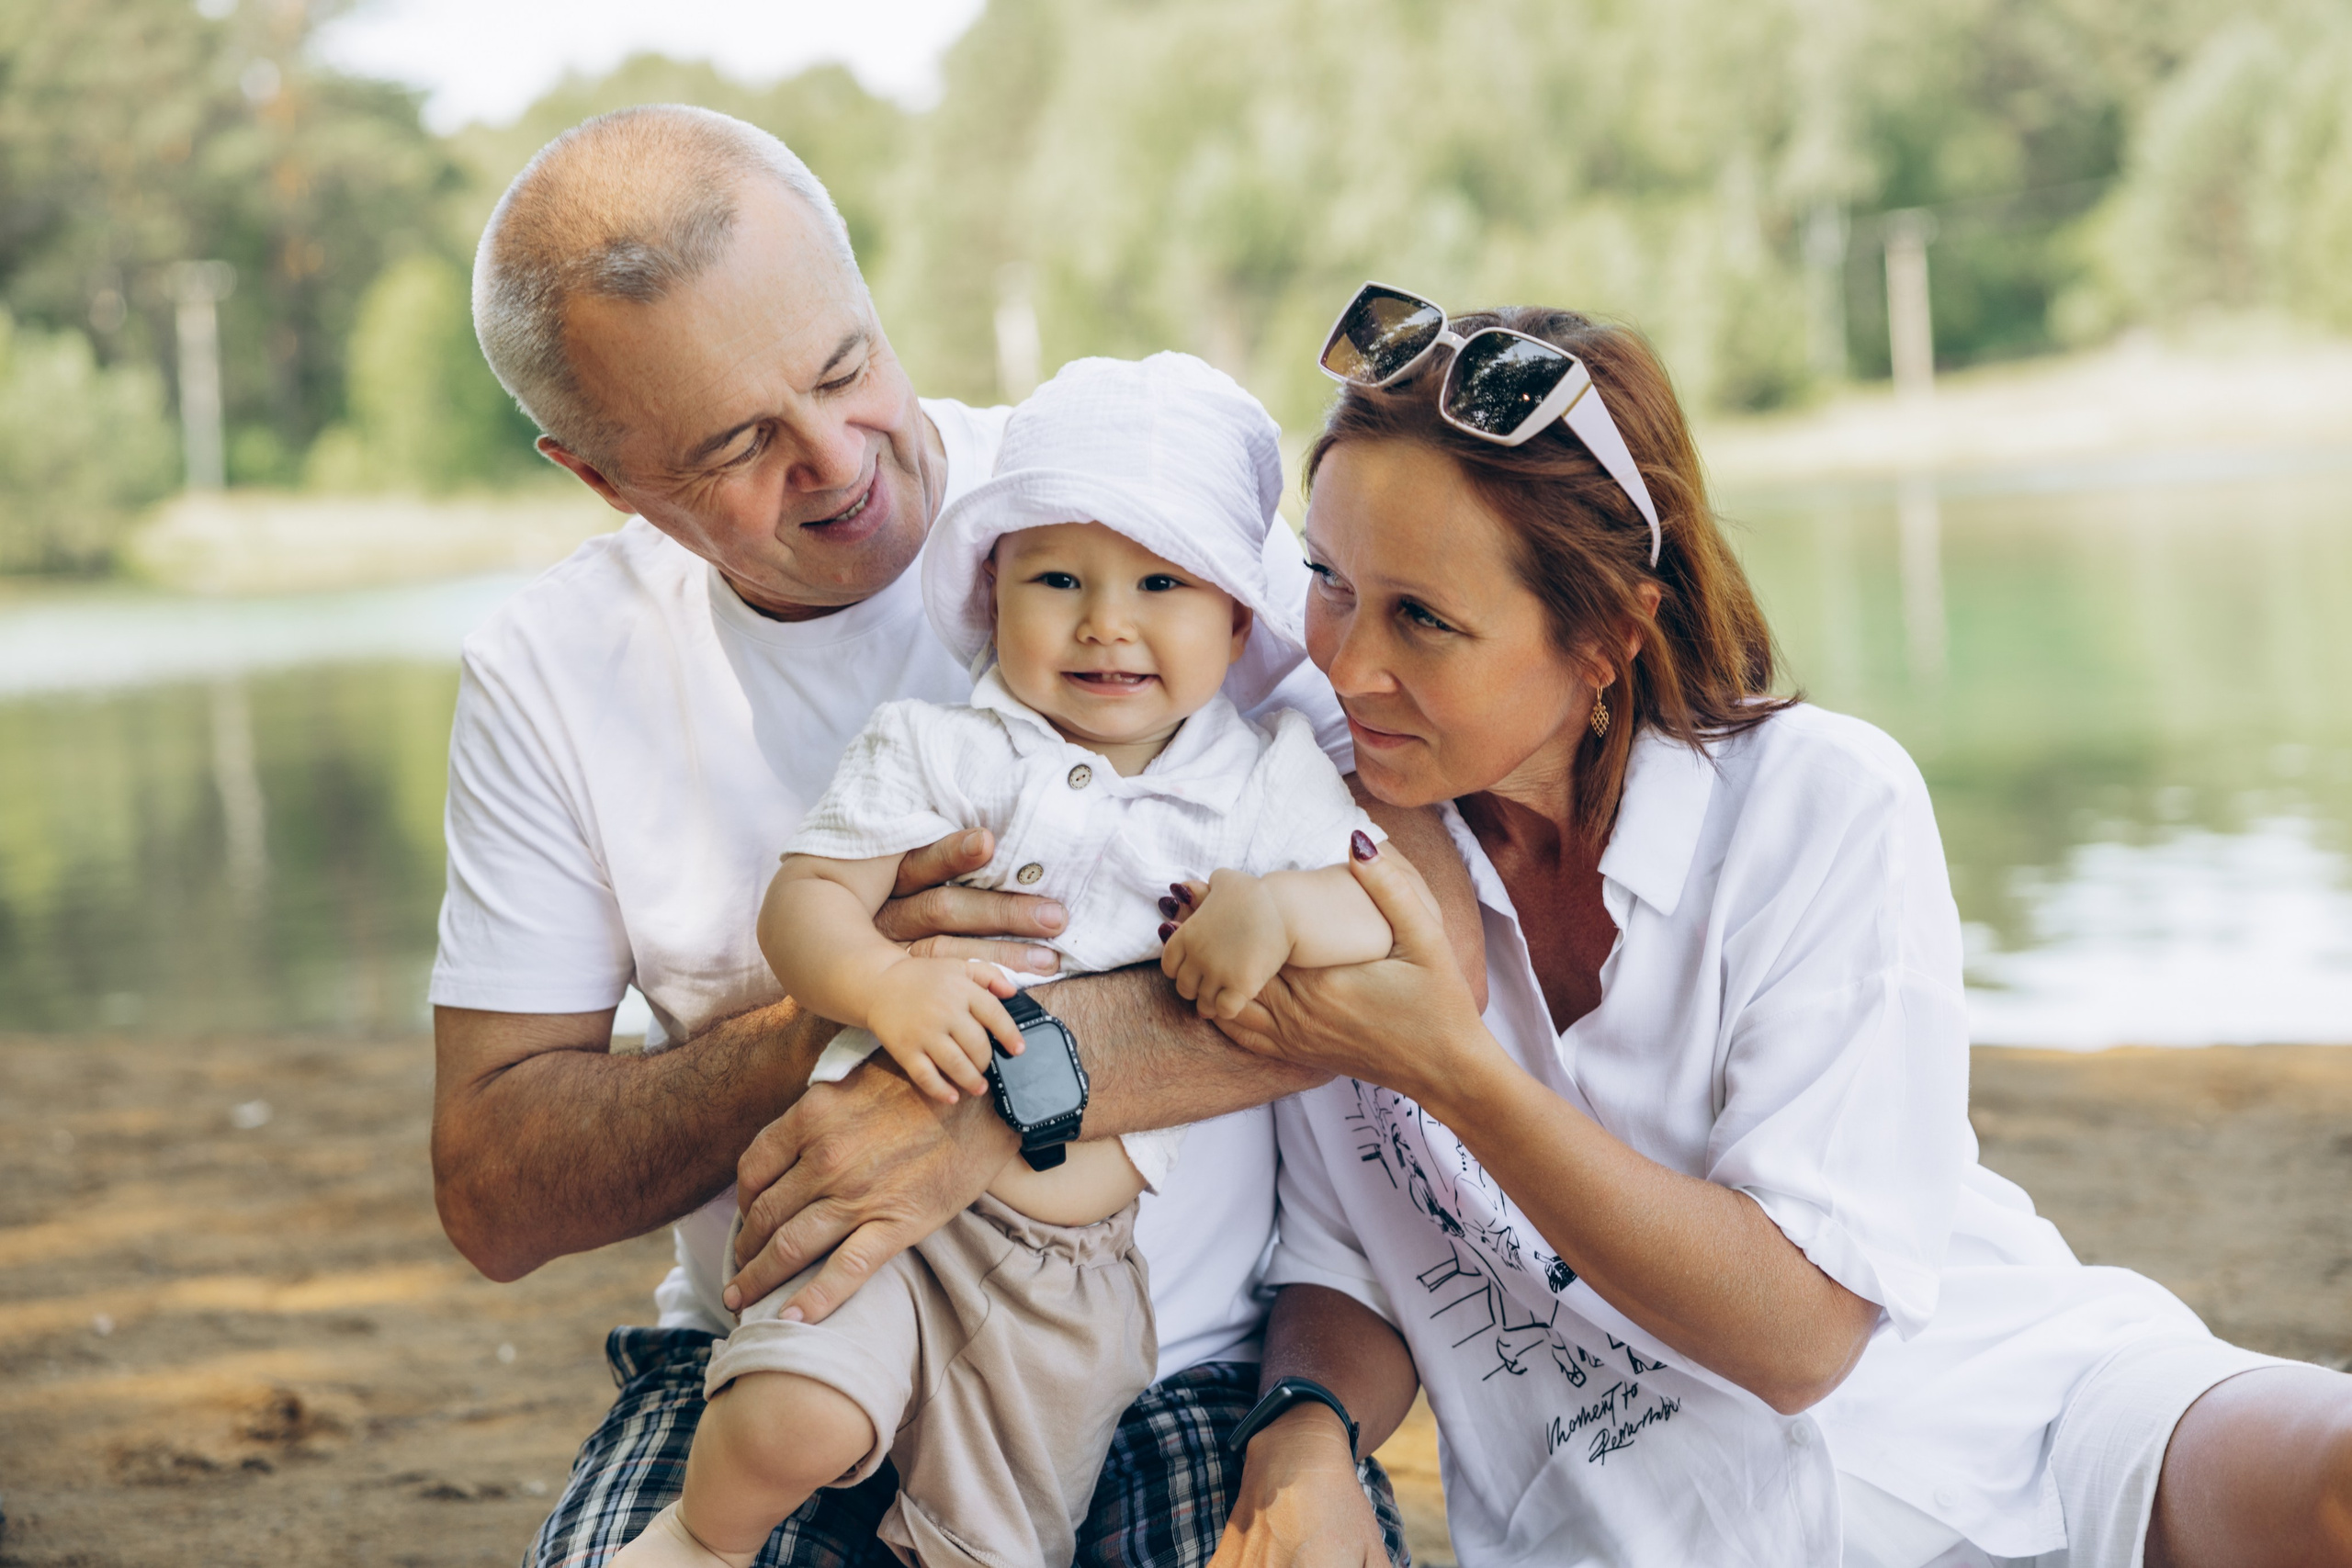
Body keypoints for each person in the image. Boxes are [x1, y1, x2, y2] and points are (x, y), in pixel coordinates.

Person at [438, 109, 1477, 1566]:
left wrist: (995, 1094)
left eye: (844, 367)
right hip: (793, 1328)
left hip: (1176, 1363)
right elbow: (494, 1187)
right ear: (604, 478)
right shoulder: (552, 672)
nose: (838, 460)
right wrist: (837, 1024)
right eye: (739, 444)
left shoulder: (1133, 509)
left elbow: (1436, 949)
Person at [1182, 290, 2352, 1567]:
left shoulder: (1820, 804)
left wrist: (1450, 1070)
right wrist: (1305, 1422)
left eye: (1425, 619)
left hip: (2020, 1427)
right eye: (1329, 582)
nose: (1347, 665)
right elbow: (1353, 1255)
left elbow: (1801, 1341)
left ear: (1605, 640)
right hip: (1642, 1529)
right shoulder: (1307, 858)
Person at [616, 352, 1401, 1568]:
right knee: (788, 1416)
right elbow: (809, 899)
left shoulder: (1265, 782)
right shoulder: (944, 750)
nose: (1105, 620)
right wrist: (883, 981)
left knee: (991, 1536)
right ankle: (697, 1543)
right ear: (993, 591)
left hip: (1069, 1274)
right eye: (1058, 578)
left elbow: (1386, 921)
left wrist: (1284, 912)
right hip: (877, 1218)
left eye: (1161, 581)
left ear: (1237, 615)